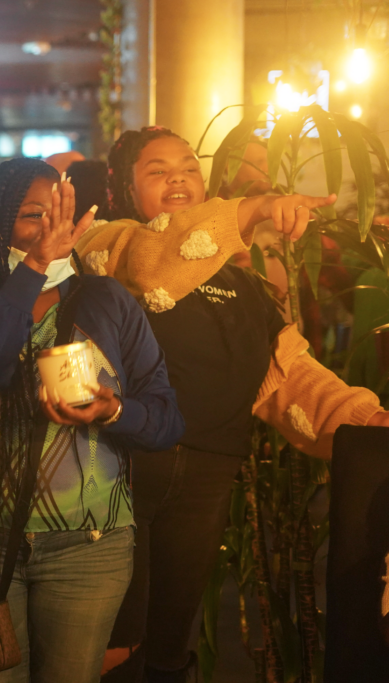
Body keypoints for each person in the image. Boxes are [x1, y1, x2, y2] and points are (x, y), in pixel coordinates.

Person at [78, 126, 389, 682]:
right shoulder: (110, 244)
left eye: (188, 167)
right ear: (125, 191)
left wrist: (371, 421)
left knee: (170, 647)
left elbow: (291, 376)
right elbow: (157, 265)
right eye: (156, 170)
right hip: (120, 472)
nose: (177, 176)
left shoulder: (245, 286)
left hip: (207, 477)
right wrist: (255, 208)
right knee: (113, 646)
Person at [0, 157, 185, 683]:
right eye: (31, 216)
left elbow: (166, 420)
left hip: (89, 548)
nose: (48, 229)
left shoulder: (106, 299)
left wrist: (113, 410)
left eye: (58, 216)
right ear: (1, 225)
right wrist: (34, 268)